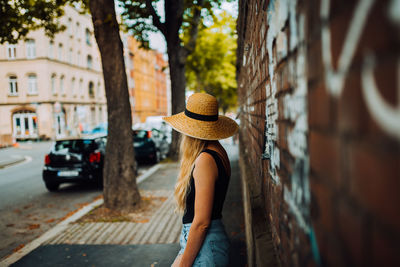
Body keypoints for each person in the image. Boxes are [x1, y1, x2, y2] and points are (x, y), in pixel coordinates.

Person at [163, 93, 239, 267]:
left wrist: (184, 264)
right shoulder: (218, 150)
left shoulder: (205, 159)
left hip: (205, 246)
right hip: (204, 243)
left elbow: (202, 223)